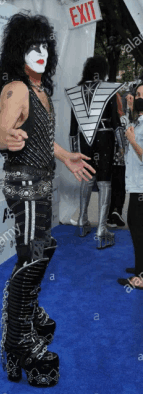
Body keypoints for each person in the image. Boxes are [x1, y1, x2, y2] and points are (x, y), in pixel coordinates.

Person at [0, 13, 96, 387]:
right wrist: (8, 139)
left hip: (41, 186)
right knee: (36, 257)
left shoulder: (41, 93)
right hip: (24, 188)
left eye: (45, 46)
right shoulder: (16, 89)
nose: (40, 53)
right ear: (19, 51)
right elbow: (0, 132)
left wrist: (65, 156)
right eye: (32, 46)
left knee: (36, 253)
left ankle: (21, 324)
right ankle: (20, 340)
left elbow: (38, 137)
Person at [66, 56, 125, 249]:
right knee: (104, 181)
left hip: (85, 140)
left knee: (87, 178)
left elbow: (73, 128)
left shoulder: (77, 92)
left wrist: (74, 153)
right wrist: (122, 145)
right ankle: (101, 229)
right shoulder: (106, 90)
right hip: (106, 139)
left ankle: (83, 223)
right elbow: (115, 121)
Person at [117, 83, 143, 290]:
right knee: (136, 228)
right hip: (136, 186)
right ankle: (139, 268)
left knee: (137, 229)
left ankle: (140, 277)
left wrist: (133, 141)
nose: (139, 98)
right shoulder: (140, 120)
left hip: (141, 188)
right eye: (138, 94)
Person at [106, 92, 127, 228]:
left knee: (108, 187)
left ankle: (108, 216)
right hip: (120, 159)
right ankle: (116, 210)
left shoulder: (105, 119)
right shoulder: (123, 119)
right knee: (120, 186)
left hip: (106, 159)